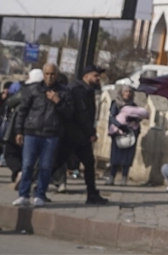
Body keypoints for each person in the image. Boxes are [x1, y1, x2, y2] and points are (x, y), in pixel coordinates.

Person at [13, 63, 73, 207]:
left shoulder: (64, 92)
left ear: (57, 75)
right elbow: (22, 111)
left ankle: (40, 194)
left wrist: (58, 101)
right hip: (31, 132)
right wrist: (19, 131)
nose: (49, 77)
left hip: (51, 134)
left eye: (52, 74)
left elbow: (70, 113)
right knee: (27, 165)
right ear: (43, 74)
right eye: (47, 74)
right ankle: (23, 194)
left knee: (45, 166)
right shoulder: (34, 89)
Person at [53, 64, 109, 204]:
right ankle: (34, 185)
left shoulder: (87, 90)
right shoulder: (78, 90)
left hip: (80, 135)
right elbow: (81, 113)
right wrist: (91, 132)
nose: (98, 78)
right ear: (86, 76)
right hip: (73, 134)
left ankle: (92, 194)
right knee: (57, 162)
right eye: (95, 76)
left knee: (88, 163)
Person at [106, 85, 146, 186]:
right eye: (126, 91)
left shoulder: (133, 105)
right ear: (121, 92)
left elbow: (139, 116)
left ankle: (124, 177)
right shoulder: (116, 104)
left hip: (130, 133)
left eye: (130, 92)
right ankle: (112, 177)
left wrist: (134, 119)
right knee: (115, 157)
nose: (128, 94)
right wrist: (119, 125)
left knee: (127, 157)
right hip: (118, 132)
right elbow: (112, 117)